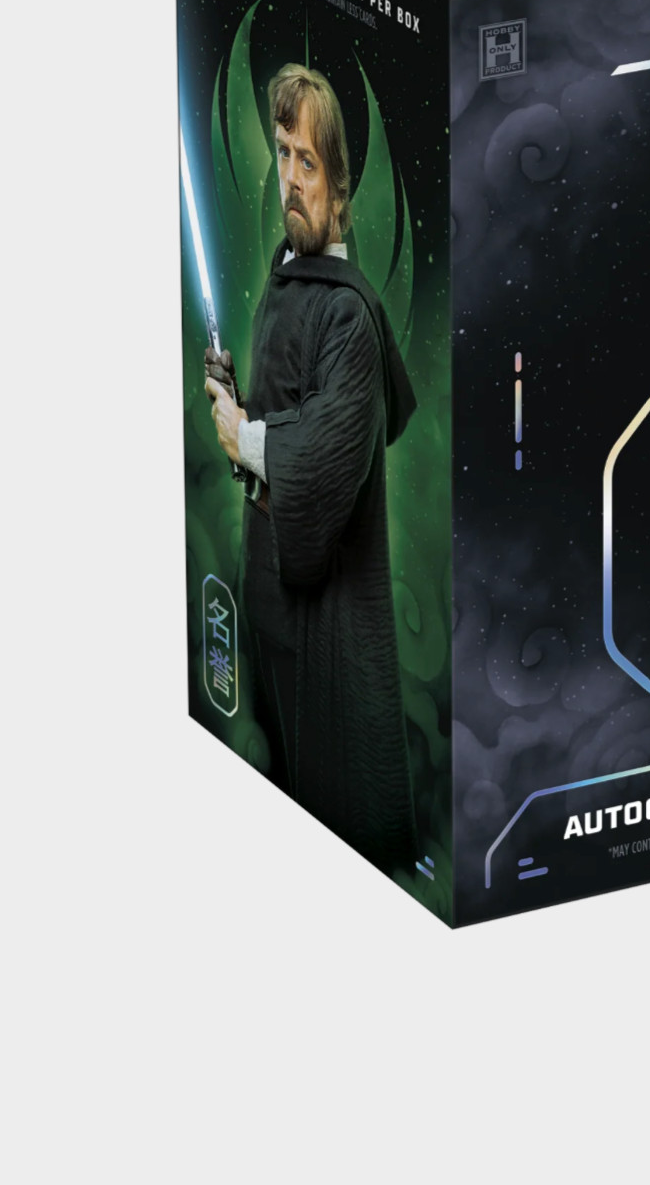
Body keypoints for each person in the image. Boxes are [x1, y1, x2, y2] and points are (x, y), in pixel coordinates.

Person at [202, 64, 417, 868]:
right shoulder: (286, 277)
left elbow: (329, 448)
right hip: (269, 598)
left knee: (338, 803)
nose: (291, 179)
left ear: (341, 186)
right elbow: (280, 412)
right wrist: (238, 405)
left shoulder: (349, 313)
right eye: (284, 154)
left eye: (310, 163)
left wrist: (245, 437)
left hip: (323, 614)